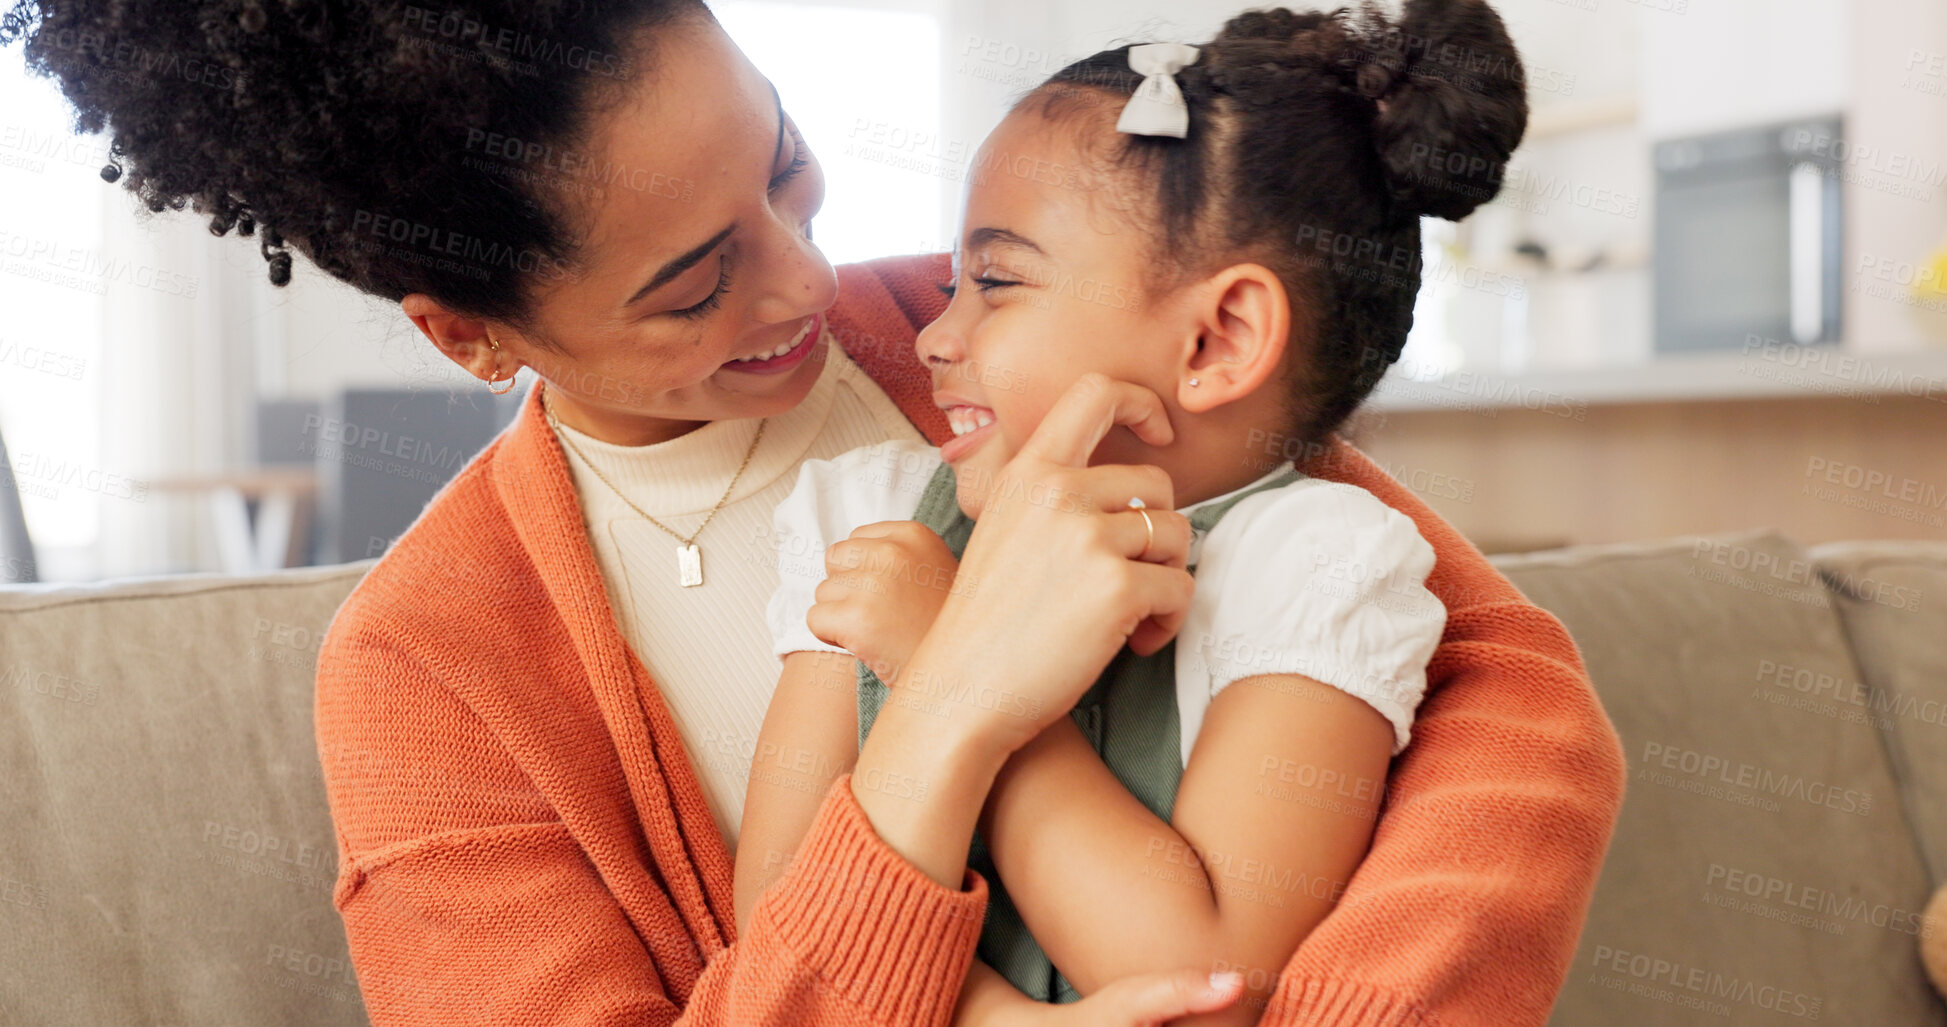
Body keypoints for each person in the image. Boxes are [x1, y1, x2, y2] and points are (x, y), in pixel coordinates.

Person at [3, 0, 1627, 1023]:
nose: (813, 283)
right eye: (696, 278)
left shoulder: (1022, 330)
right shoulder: (427, 671)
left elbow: (1514, 708)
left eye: (781, 163)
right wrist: (953, 702)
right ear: (469, 332)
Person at [741, 5, 1532, 1021]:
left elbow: (1207, 978)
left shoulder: (1316, 568)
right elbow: (774, 920)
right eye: (950, 281)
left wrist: (950, 655)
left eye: (995, 281)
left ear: (1218, 341)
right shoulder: (870, 515)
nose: (936, 336)